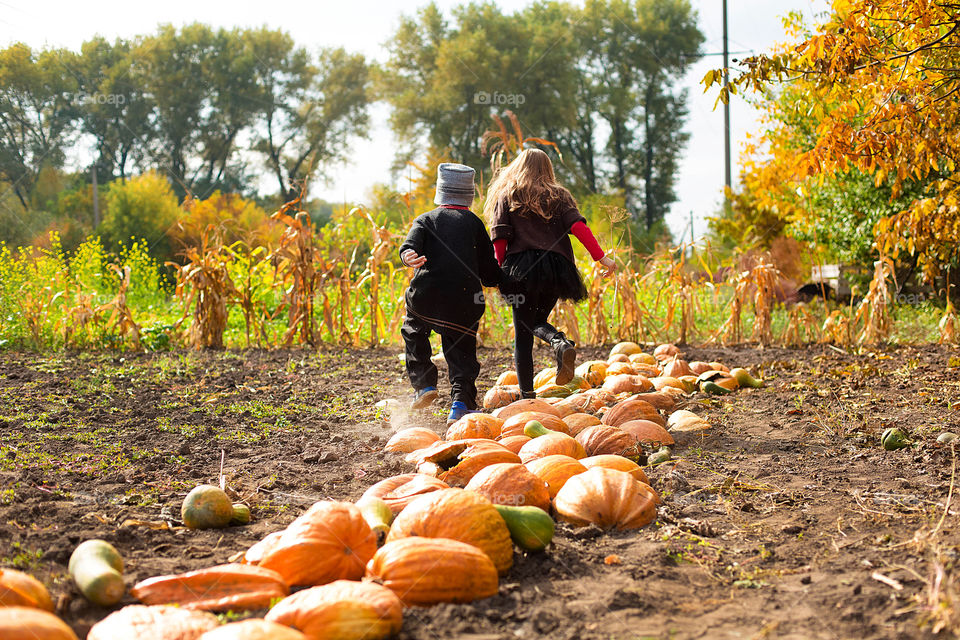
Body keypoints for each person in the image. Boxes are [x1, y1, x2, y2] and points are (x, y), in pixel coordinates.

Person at [484, 148, 615, 398]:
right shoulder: (560, 195)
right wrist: (602, 257)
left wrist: (500, 271)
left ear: (518, 167)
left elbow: (500, 238)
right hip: (557, 268)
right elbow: (578, 228)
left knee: (524, 334)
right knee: (536, 321)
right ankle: (559, 342)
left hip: (521, 269)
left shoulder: (509, 194)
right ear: (548, 168)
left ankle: (528, 396)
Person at [399, 162, 523, 424]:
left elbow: (410, 245)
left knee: (413, 331)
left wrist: (407, 255)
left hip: (427, 299)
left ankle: (424, 385)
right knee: (462, 352)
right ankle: (460, 404)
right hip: (463, 302)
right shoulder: (474, 224)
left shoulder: (425, 219)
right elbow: (489, 270)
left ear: (440, 193)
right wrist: (509, 283)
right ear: (469, 196)